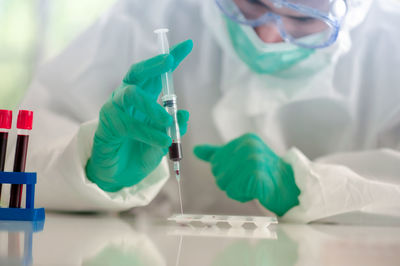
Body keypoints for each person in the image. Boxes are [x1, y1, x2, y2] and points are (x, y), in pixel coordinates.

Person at [12, 0, 400, 223]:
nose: (267, 35)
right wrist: (86, 166)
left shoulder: (390, 51)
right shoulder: (149, 17)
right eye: (252, 3)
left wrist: (315, 186)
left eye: (302, 19)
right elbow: (27, 143)